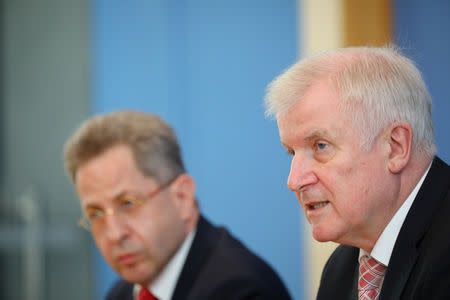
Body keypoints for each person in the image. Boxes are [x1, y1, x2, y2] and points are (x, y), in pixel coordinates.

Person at [264, 46, 450, 299]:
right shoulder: (340, 270)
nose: (294, 181)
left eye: (320, 146)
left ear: (395, 147)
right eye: (291, 152)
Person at [63, 110, 291, 300]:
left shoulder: (243, 291)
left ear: (182, 197)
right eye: (96, 214)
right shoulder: (121, 294)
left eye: (128, 203)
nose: (114, 234)